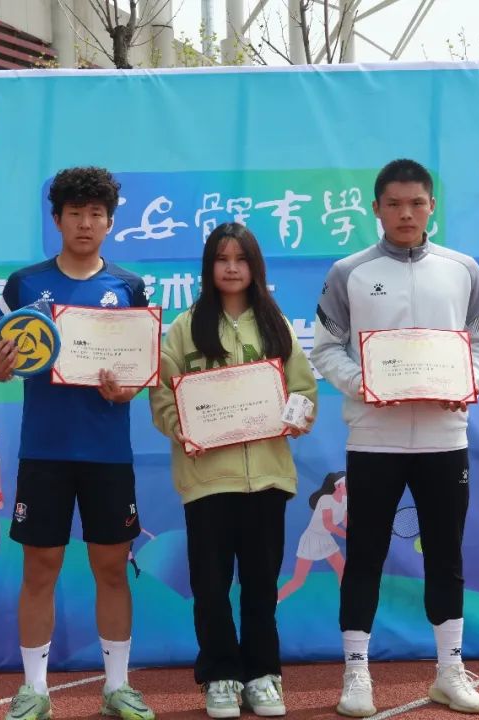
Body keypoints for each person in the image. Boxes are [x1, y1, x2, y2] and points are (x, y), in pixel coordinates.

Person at [311, 159, 479, 716]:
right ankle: (356, 675)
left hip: (445, 438)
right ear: (376, 208)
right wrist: (363, 384)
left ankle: (449, 672)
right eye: (394, 204)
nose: (406, 213)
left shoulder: (463, 270)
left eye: (416, 202)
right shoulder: (349, 272)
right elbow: (326, 348)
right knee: (365, 556)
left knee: (445, 556)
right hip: (374, 440)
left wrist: (468, 384)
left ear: (432, 206)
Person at [0, 167, 154, 720]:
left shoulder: (129, 287)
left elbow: (138, 370)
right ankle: (34, 690)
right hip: (45, 451)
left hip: (108, 454)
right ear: (57, 219)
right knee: (40, 569)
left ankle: (117, 687)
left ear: (110, 222)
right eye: (75, 213)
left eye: (96, 214)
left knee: (112, 568)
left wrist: (127, 388)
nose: (85, 223)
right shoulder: (24, 285)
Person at [150, 222, 318, 719]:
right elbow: (163, 395)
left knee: (262, 586)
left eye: (240, 259)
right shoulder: (185, 328)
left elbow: (303, 390)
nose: (230, 268)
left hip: (268, 478)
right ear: (208, 267)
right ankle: (220, 675)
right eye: (221, 259)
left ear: (254, 267)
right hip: (207, 480)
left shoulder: (275, 325)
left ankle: (263, 675)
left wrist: (296, 418)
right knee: (210, 586)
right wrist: (183, 428)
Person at [277, 471, 347, 602]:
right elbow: (328, 525)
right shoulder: (325, 500)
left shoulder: (345, 501)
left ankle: (347, 602)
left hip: (326, 539)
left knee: (343, 571)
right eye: (346, 484)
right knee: (298, 581)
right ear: (338, 486)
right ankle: (274, 601)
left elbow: (345, 520)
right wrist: (346, 535)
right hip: (311, 540)